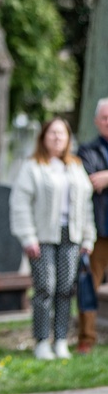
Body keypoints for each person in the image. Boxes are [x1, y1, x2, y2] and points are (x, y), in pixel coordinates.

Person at [10, 117, 96, 360]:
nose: (57, 138)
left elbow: (85, 206)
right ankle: (41, 341)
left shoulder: (76, 167)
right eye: (52, 133)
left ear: (68, 139)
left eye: (62, 134)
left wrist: (88, 238)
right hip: (43, 237)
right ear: (44, 137)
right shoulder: (33, 166)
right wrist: (28, 237)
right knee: (45, 288)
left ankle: (60, 340)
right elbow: (20, 204)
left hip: (72, 236)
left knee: (66, 289)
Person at [75, 98, 108, 354]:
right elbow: (89, 181)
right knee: (89, 285)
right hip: (98, 229)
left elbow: (101, 179)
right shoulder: (86, 151)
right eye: (105, 118)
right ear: (97, 122)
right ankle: (86, 339)